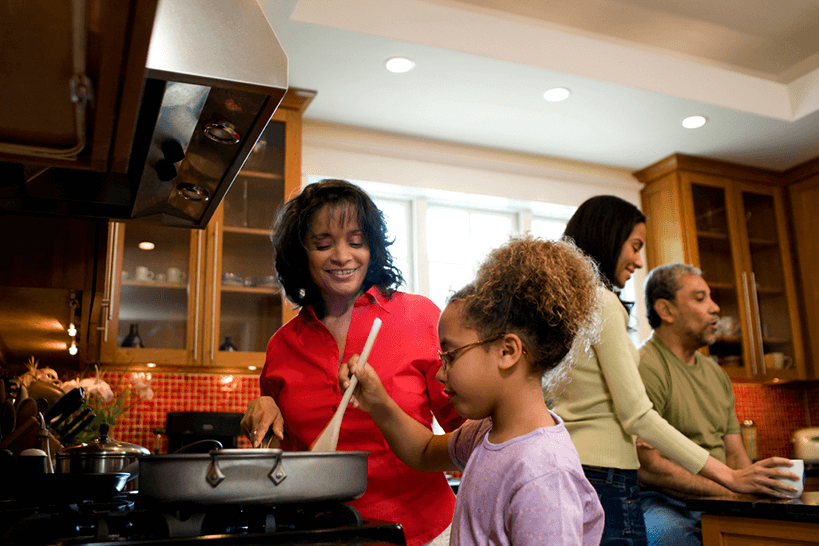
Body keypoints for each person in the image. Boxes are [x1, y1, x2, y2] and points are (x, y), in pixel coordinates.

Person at [551, 195, 797, 546]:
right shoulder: (603, 304)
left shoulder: (564, 308)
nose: (638, 260)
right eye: (634, 246)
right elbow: (638, 416)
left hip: (575, 471)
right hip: (608, 476)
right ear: (607, 237)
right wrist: (729, 478)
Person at [343, 234, 606, 546]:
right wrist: (378, 402)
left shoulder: (544, 474)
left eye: (451, 356)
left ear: (507, 352)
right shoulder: (484, 434)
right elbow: (425, 452)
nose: (440, 373)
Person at [239, 179, 462, 546]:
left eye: (356, 242)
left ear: (372, 247)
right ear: (301, 253)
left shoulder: (418, 317)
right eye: (323, 244)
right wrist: (264, 408)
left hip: (423, 532)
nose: (342, 256)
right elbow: (283, 456)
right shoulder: (282, 346)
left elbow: (467, 429)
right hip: (320, 533)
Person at [637, 263, 798, 546]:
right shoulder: (644, 365)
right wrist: (732, 489)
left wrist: (748, 488)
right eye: (700, 298)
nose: (715, 308)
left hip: (723, 496)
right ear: (666, 310)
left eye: (710, 298)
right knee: (671, 538)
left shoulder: (716, 374)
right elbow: (649, 467)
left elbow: (735, 454)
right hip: (665, 501)